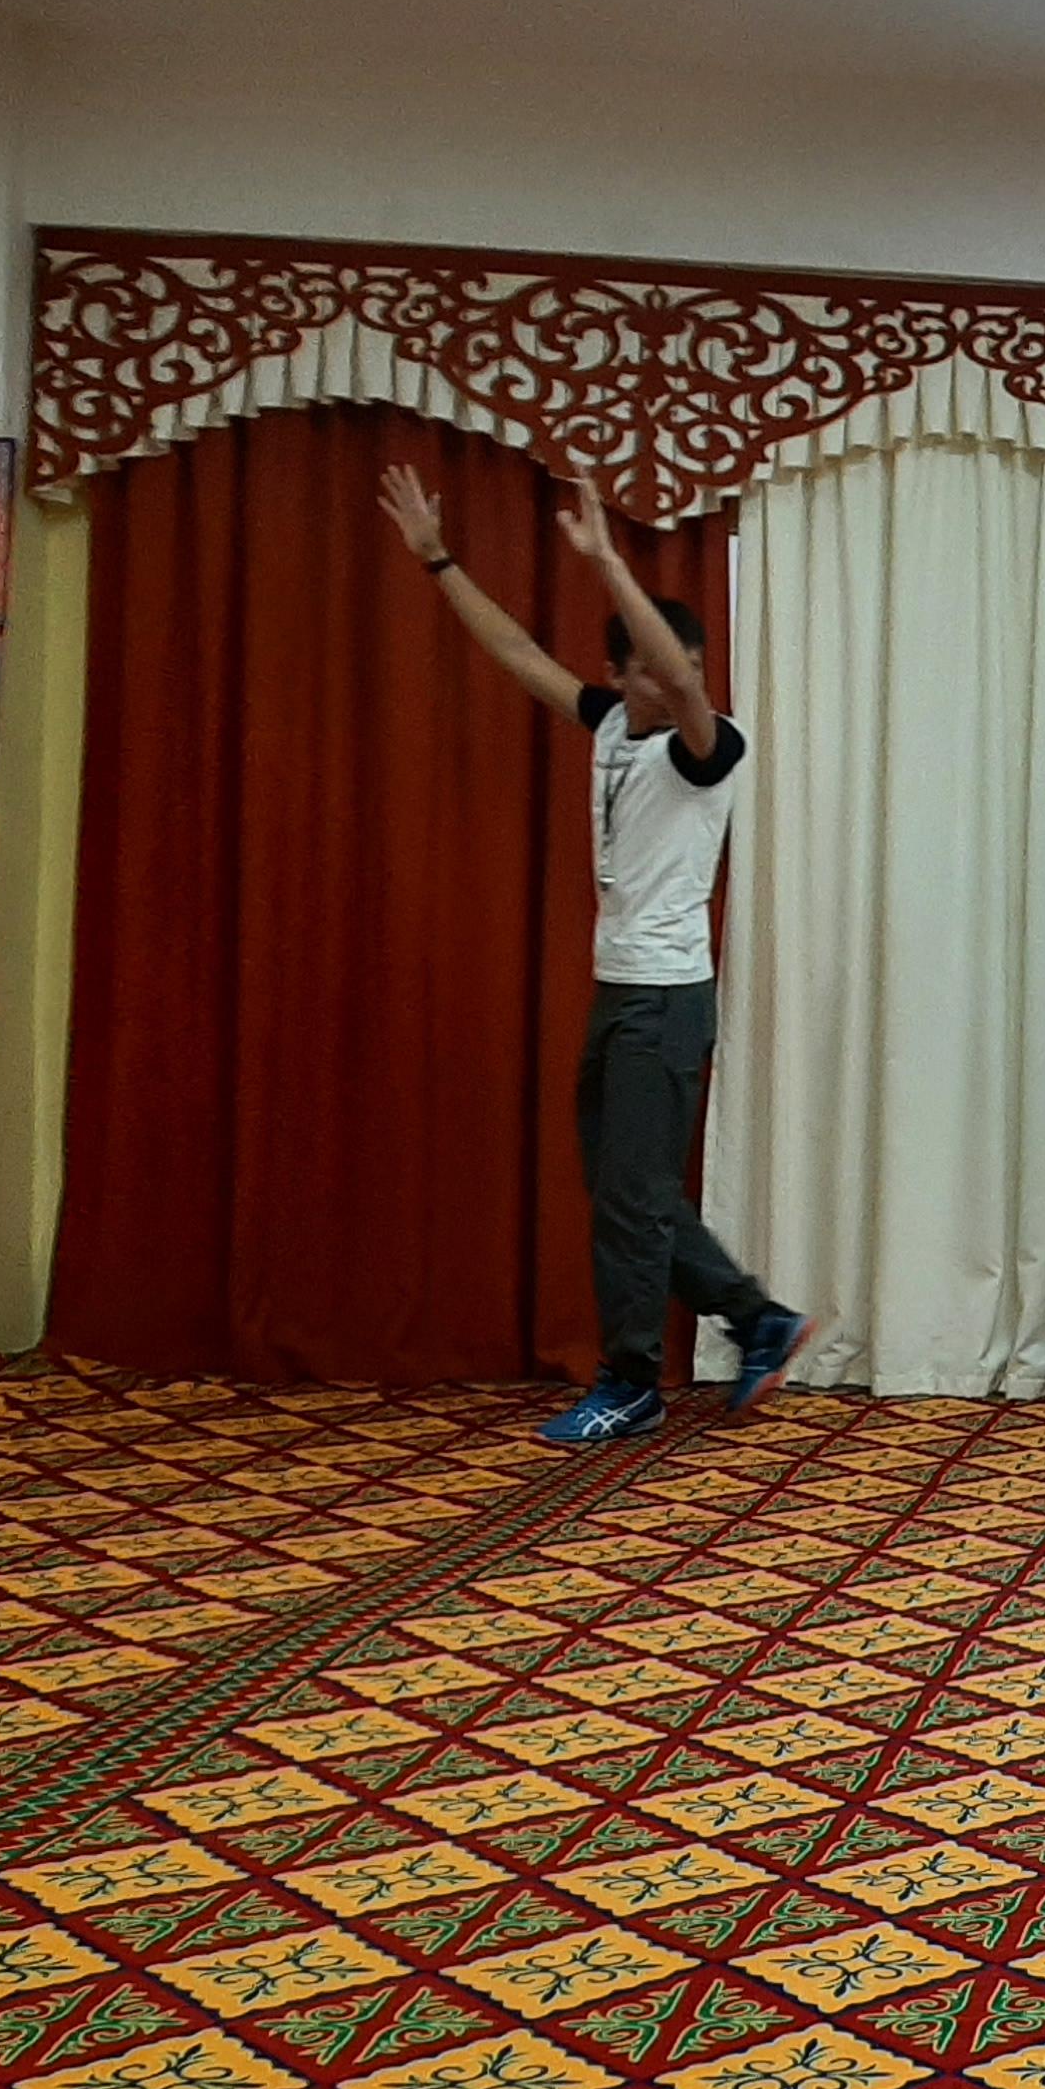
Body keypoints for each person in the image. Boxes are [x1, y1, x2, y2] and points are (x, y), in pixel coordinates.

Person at [377, 462, 811, 1446]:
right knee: (631, 1194)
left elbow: (690, 682)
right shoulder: (613, 722)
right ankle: (757, 1319)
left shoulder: (710, 748)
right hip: (619, 994)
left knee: (630, 1202)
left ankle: (632, 1381)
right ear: (621, 678)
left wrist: (610, 562)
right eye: (653, 667)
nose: (676, 679)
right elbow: (517, 650)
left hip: (665, 1001)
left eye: (685, 665)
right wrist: (437, 558)